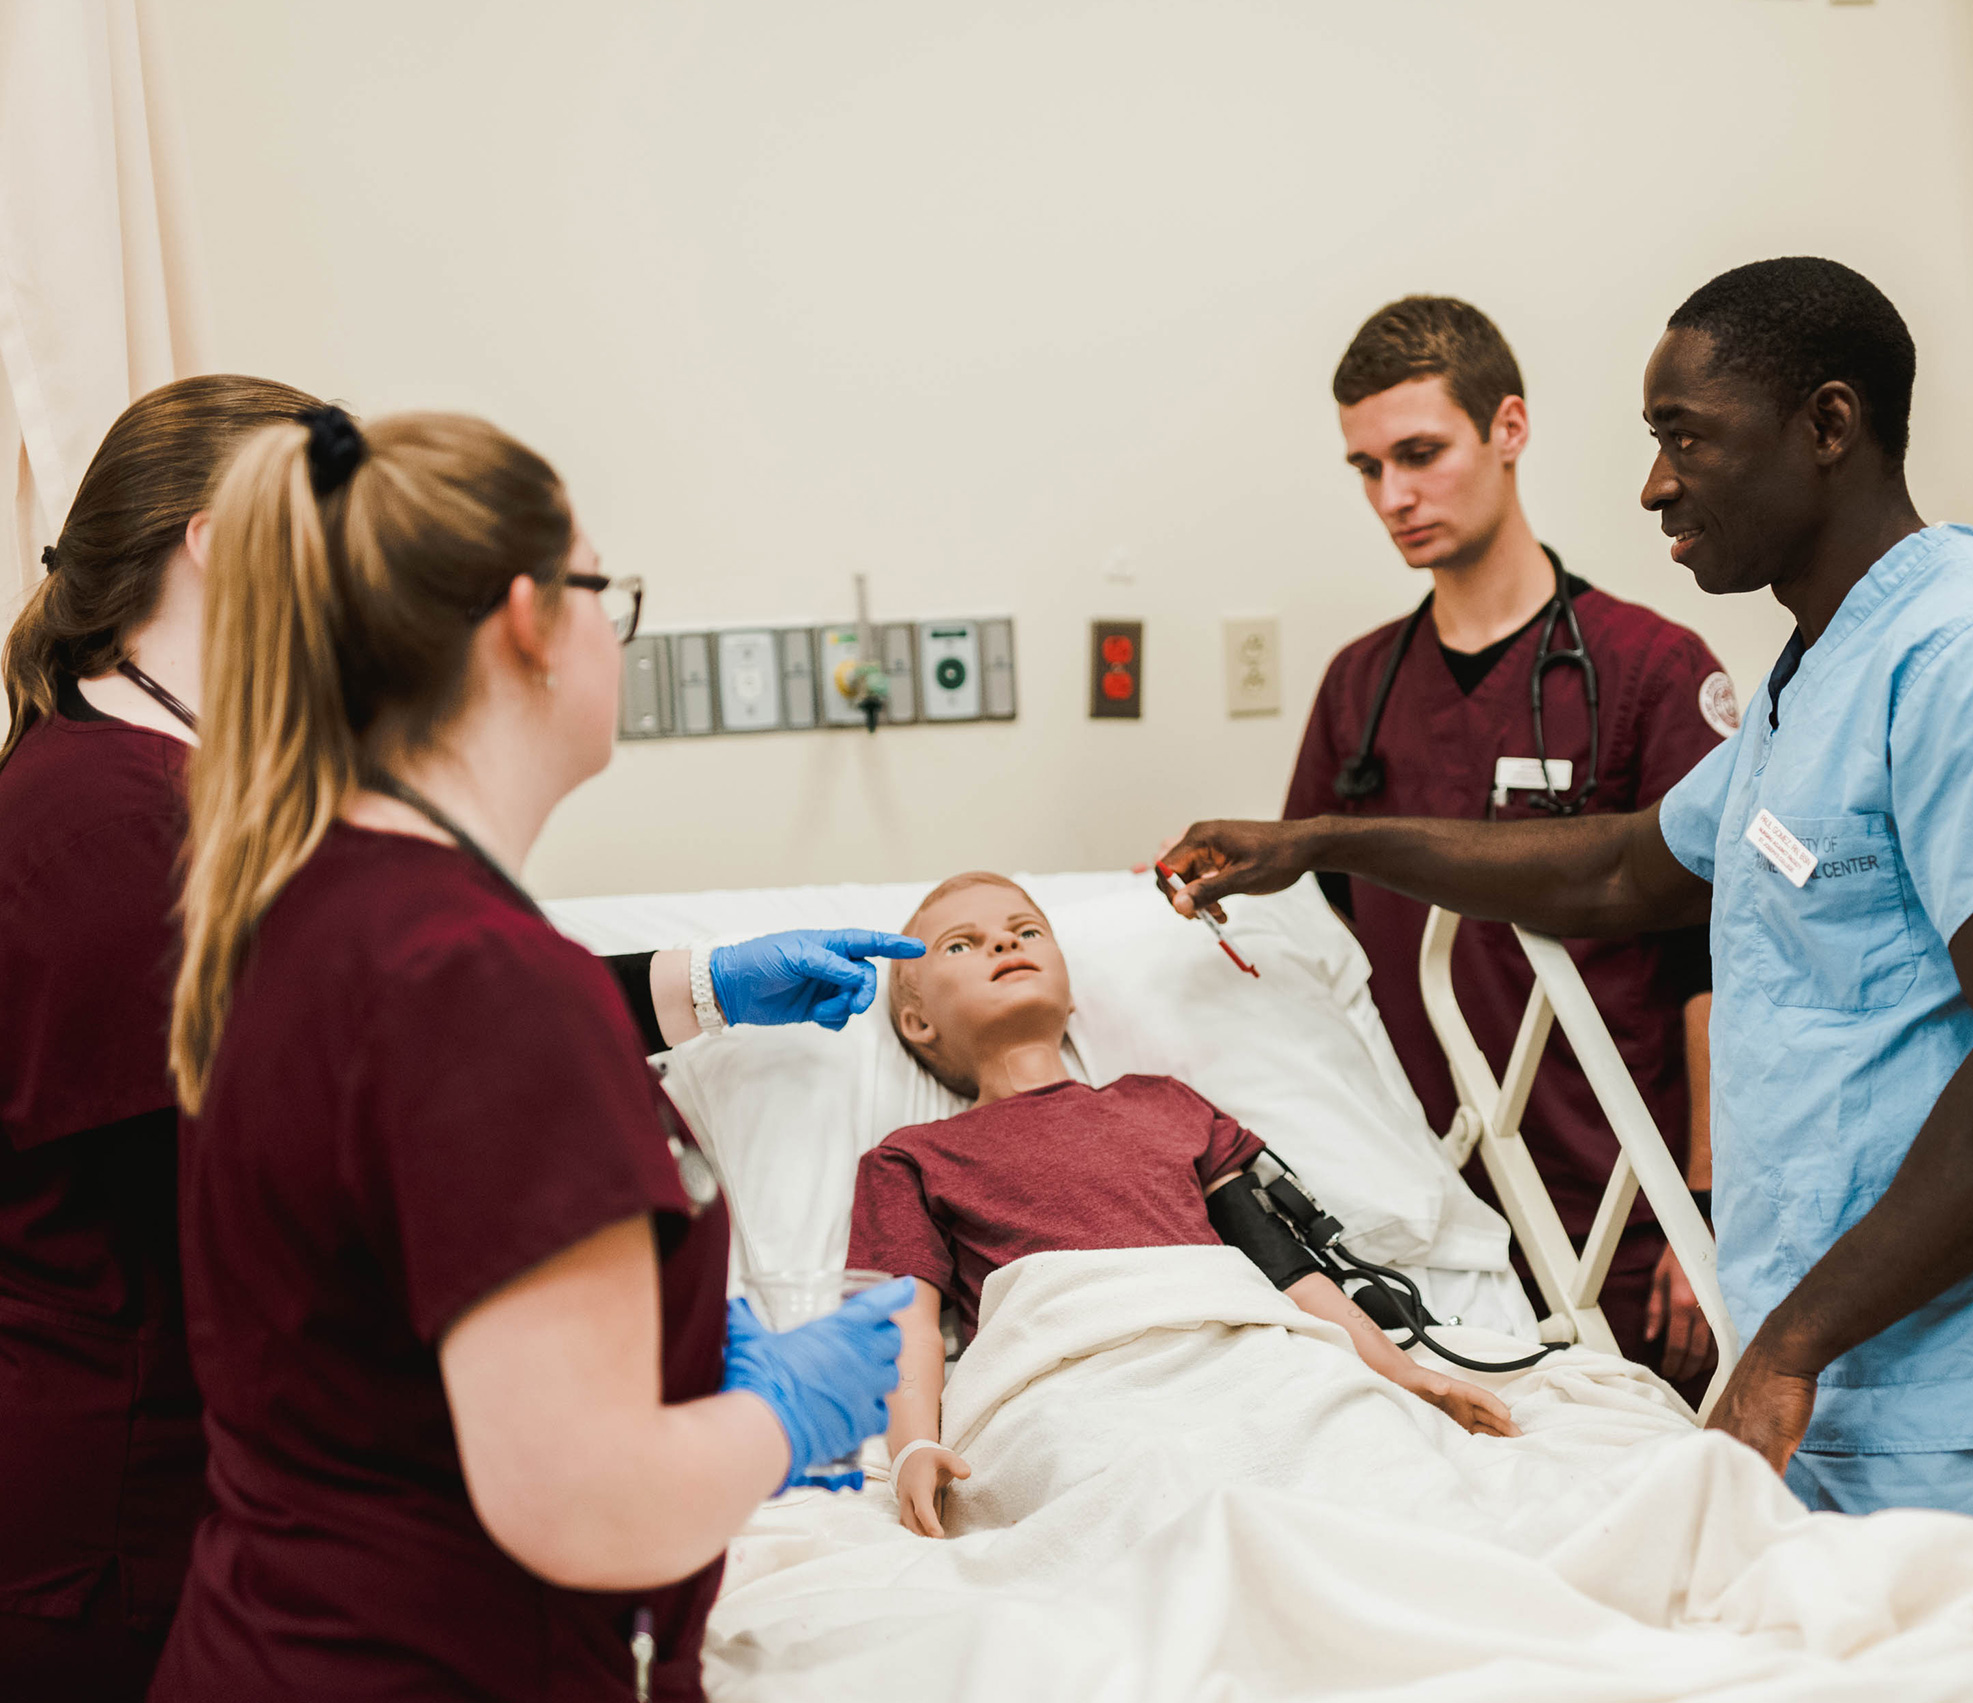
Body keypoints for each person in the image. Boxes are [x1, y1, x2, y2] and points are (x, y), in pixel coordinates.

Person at [1161, 257, 1973, 1539]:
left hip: (1958, 1378)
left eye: (1685, 438)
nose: (1655, 482)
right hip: (1847, 1358)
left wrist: (1788, 1340)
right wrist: (1324, 837)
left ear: (1827, 427)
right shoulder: (1821, 675)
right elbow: (1619, 865)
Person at [0, 380, 916, 1701]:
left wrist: (695, 991)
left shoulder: (320, 906)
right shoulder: (428, 953)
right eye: (612, 593)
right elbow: (580, 1497)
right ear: (533, 620)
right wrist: (778, 1414)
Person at [1292, 297, 1731, 1387]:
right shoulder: (1359, 689)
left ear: (1509, 429)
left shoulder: (1649, 671)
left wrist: (1710, 1212)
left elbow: (1728, 972)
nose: (1393, 496)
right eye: (1365, 468)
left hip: (1620, 1217)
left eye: (1419, 454)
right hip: (1416, 1225)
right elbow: (1311, 959)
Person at [851, 872, 1519, 1538]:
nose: (1003, 942)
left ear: (1071, 992)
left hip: (1243, 1354)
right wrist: (913, 1445)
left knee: (1376, 1471)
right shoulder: (911, 1158)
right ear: (918, 1020)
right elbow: (904, 1325)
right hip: (1072, 1382)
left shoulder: (1163, 1101)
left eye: (1027, 932)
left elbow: (1284, 1266)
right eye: (961, 945)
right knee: (1143, 1500)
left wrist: (1404, 1372)